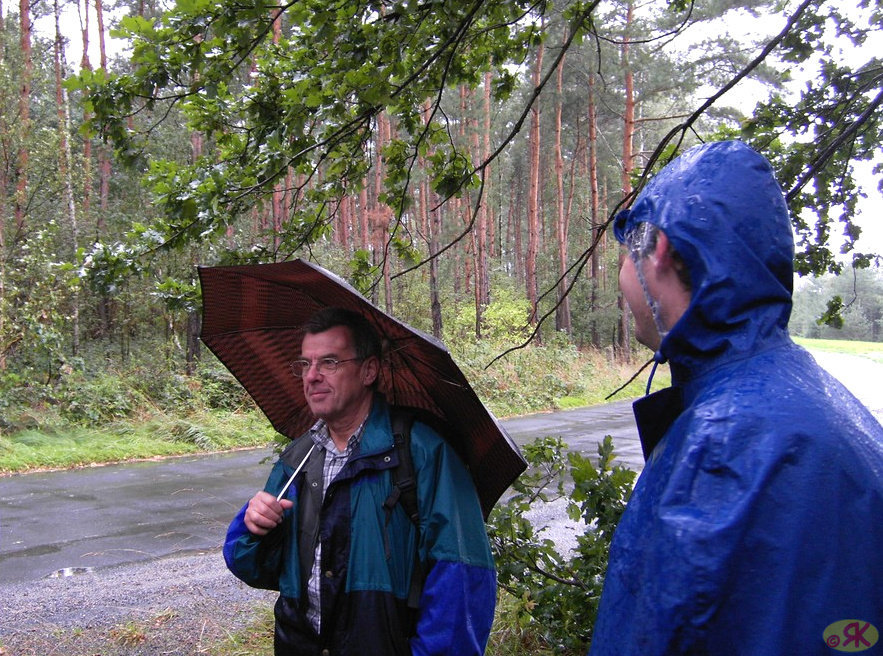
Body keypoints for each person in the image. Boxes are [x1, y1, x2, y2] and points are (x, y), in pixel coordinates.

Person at [589, 140, 883, 655]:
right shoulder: (809, 397)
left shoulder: (724, 442)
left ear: (655, 250)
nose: (620, 283)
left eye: (622, 261)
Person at [223, 307, 496, 656]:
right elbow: (260, 569)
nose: (312, 376)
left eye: (330, 362)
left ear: (369, 370)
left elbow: (462, 581)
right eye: (305, 364)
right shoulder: (299, 456)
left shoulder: (424, 452)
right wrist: (253, 527)